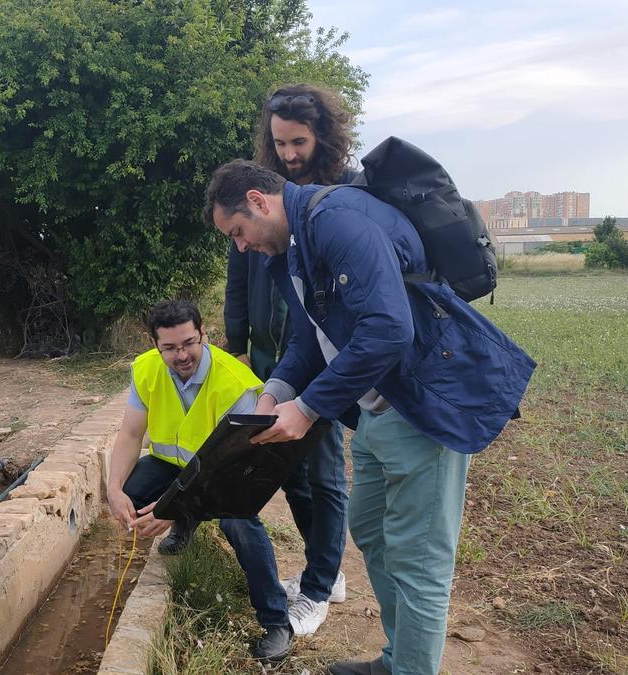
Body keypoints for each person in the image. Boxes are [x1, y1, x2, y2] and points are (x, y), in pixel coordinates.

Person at [203, 161, 535, 675]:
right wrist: (276, 392)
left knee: (418, 557)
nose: (240, 247)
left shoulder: (337, 220)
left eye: (238, 232)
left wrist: (309, 409)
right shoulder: (297, 245)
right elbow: (308, 337)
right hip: (377, 407)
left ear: (259, 200)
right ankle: (396, 659)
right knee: (372, 528)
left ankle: (409, 669)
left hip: (423, 406)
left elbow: (388, 329)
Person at [223, 83, 360, 636]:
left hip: (323, 355)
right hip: (273, 356)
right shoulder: (262, 196)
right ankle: (325, 570)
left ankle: (321, 586)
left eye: (298, 142)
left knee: (325, 474)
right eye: (278, 143)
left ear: (323, 136)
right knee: (295, 473)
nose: (288, 154)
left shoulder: (342, 197)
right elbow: (242, 273)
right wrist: (238, 339)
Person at [105, 299, 294, 663]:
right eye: (170, 348)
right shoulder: (146, 370)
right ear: (156, 346)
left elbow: (233, 473)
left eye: (189, 343)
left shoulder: (237, 385)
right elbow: (130, 435)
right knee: (131, 490)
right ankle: (187, 524)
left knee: (239, 524)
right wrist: (113, 490)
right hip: (172, 464)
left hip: (226, 476)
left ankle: (276, 622)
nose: (181, 356)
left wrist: (175, 508)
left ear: (203, 334)